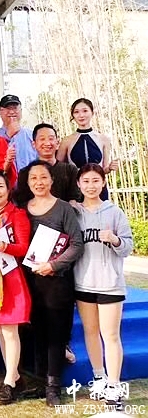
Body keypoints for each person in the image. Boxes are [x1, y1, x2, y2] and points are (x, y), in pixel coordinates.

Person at [13, 160, 84, 407]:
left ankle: (54, 386)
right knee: (37, 331)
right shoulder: (22, 209)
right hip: (29, 280)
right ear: (28, 182)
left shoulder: (64, 208)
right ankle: (40, 381)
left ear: (52, 180)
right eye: (33, 178)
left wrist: (53, 265)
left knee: (56, 334)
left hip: (57, 281)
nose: (39, 182)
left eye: (43, 177)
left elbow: (77, 244)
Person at [72, 163, 133, 410]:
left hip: (110, 284)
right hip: (83, 282)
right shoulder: (74, 212)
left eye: (95, 181)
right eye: (86, 181)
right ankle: (99, 378)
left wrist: (115, 239)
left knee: (110, 335)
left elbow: (127, 247)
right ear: (78, 184)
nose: (90, 186)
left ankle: (114, 386)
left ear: (103, 183)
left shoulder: (115, 212)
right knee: (90, 331)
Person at [0, 172, 32, 404]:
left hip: (10, 278)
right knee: (0, 331)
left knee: (10, 331)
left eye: (0, 186)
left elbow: (24, 248)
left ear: (9, 189)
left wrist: (2, 245)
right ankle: (15, 377)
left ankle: (9, 382)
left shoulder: (17, 214)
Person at [58, 98, 119, 199]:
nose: (81, 115)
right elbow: (59, 167)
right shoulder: (66, 141)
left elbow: (104, 169)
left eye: (85, 111)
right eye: (76, 112)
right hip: (75, 190)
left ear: (92, 113)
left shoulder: (104, 139)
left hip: (98, 189)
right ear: (73, 115)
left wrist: (110, 168)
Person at [15, 123, 83, 206]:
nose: (47, 143)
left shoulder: (70, 170)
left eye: (51, 139)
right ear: (34, 144)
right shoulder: (25, 173)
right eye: (42, 139)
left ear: (57, 143)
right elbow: (22, 202)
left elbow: (75, 199)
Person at [0, 94, 38, 171]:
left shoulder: (32, 135)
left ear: (21, 110)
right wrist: (8, 135)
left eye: (15, 108)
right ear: (0, 111)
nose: (12, 112)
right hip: (3, 178)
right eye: (8, 108)